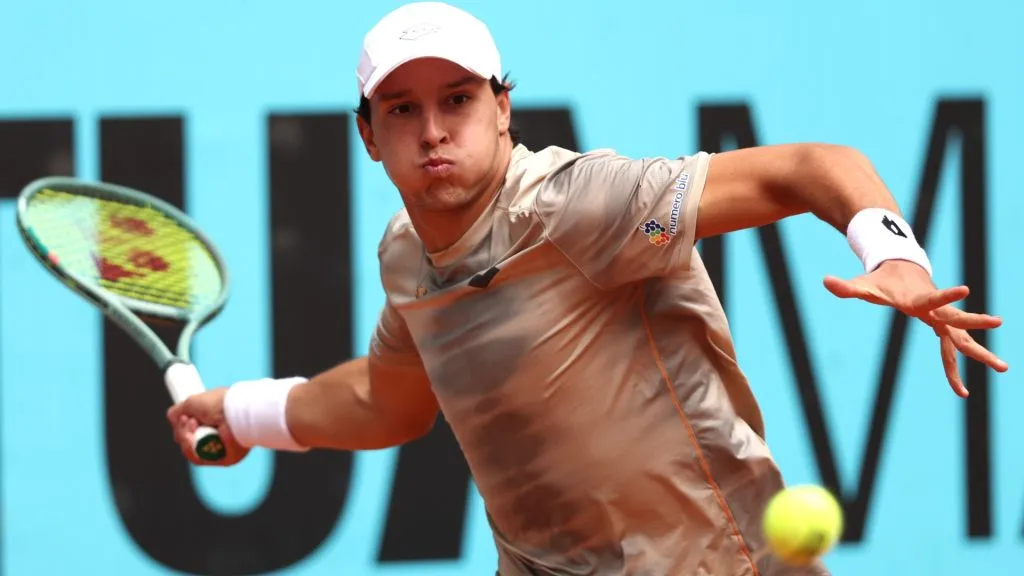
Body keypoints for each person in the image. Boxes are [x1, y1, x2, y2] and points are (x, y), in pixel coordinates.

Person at [168, 2, 1008, 574]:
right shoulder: (405, 256)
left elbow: (813, 167)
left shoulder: (580, 206)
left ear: (502, 109)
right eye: (401, 109)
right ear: (367, 134)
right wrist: (241, 413)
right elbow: (387, 401)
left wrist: (896, 256)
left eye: (457, 100)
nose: (432, 131)